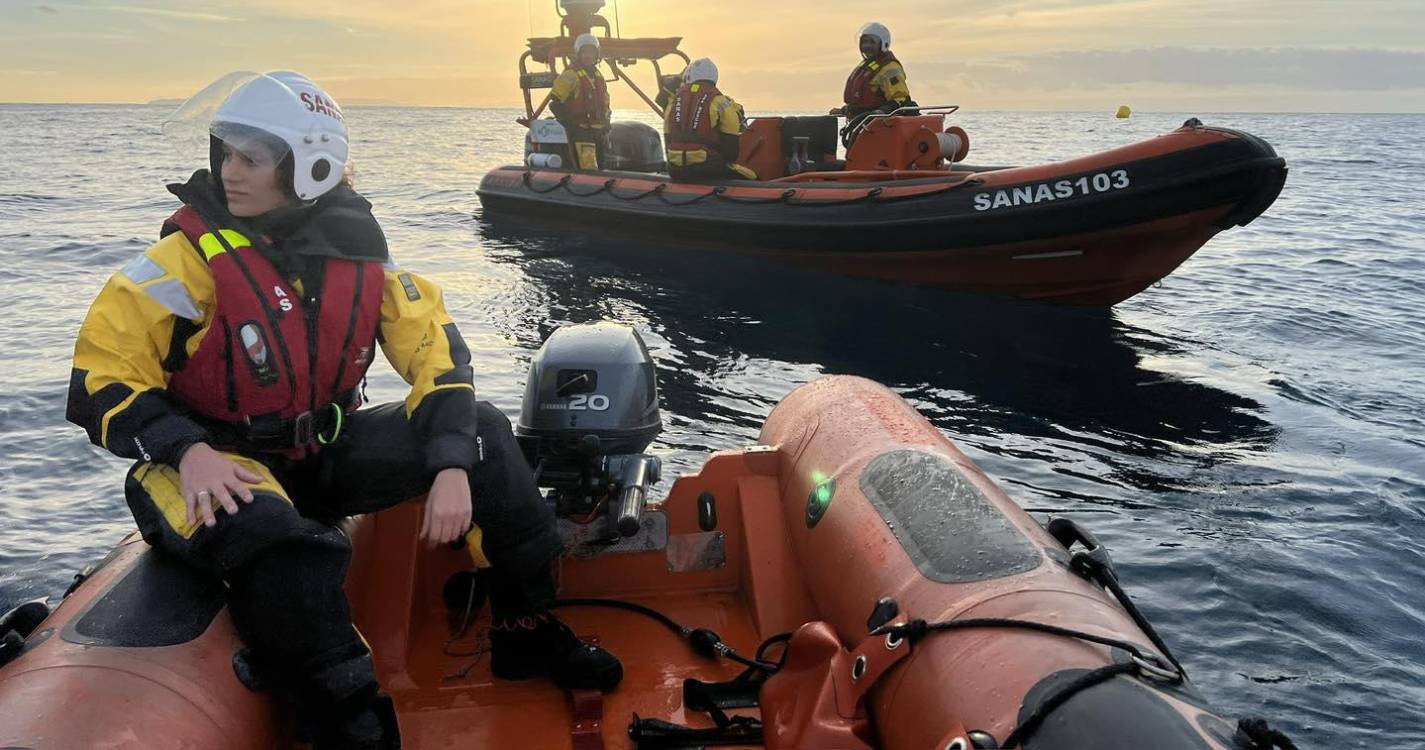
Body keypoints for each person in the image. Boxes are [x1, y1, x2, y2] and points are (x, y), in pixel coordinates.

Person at [65, 71, 621, 749]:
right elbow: (101, 379)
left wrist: (450, 463)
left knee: (481, 433)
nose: (228, 172)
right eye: (226, 154)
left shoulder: (362, 257)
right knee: (279, 544)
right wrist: (187, 449)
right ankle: (351, 723)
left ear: (309, 167)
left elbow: (438, 361)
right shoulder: (178, 266)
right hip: (205, 466)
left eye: (250, 158)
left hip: (318, 454)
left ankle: (524, 632)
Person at [662, 58, 756, 181]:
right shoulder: (721, 102)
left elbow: (667, 138)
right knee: (752, 176)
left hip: (675, 169)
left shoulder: (673, 101)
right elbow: (731, 151)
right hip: (707, 168)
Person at [834, 21, 917, 144]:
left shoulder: (890, 68)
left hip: (879, 129)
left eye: (871, 42)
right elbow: (862, 102)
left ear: (883, 44)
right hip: (862, 127)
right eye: (864, 42)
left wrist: (880, 112)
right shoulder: (868, 66)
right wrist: (845, 110)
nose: (867, 46)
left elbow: (900, 100)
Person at [549, 33, 611, 170]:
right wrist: (570, 123)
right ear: (579, 54)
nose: (588, 56)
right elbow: (555, 102)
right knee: (588, 166)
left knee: (601, 166)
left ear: (596, 55)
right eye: (585, 52)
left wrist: (607, 124)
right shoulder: (570, 75)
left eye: (591, 52)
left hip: (598, 131)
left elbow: (605, 104)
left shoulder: (598, 76)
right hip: (580, 130)